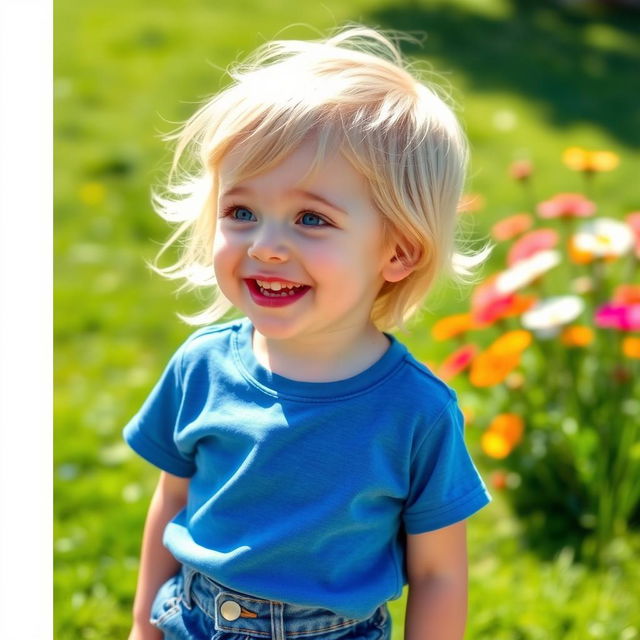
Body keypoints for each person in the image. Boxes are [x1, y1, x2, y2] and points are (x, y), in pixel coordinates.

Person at [123, 24, 494, 640]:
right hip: (191, 620)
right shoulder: (202, 366)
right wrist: (143, 626)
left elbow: (438, 575)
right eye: (241, 212)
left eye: (310, 219)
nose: (266, 246)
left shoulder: (416, 412)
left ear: (397, 252)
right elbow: (172, 504)